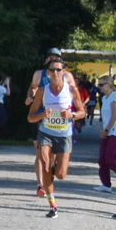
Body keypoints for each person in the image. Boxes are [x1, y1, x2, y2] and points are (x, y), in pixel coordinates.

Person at [26, 58, 85, 219]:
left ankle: (53, 172)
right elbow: (30, 117)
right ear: (48, 73)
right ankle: (52, 204)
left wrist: (72, 115)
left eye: (59, 70)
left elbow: (82, 112)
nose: (55, 73)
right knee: (45, 165)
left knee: (60, 174)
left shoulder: (71, 90)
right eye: (52, 70)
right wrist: (42, 115)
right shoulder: (43, 90)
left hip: (64, 135)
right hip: (46, 133)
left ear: (64, 72)